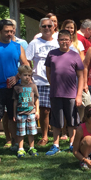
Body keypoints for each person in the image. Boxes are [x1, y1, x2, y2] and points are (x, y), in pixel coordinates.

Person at [0, 19, 30, 150]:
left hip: (14, 87)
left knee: (14, 117)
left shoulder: (18, 46)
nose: (10, 34)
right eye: (6, 31)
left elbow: (26, 65)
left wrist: (17, 76)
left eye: (12, 31)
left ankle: (16, 143)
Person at [45, 29, 85, 155]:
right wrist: (54, 85)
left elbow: (81, 76)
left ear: (71, 41)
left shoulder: (75, 55)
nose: (64, 42)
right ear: (58, 41)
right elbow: (48, 72)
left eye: (66, 40)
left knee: (72, 120)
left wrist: (79, 95)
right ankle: (55, 145)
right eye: (61, 39)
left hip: (71, 94)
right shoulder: (52, 54)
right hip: (56, 93)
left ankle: (72, 144)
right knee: (56, 120)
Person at [25, 18, 59, 146]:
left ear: (54, 27)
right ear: (40, 28)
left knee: (56, 109)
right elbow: (27, 60)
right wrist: (29, 76)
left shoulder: (58, 42)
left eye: (49, 26)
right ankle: (44, 136)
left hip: (56, 80)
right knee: (44, 110)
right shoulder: (34, 43)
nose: (47, 28)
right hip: (39, 80)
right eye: (44, 26)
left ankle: (58, 135)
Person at [13, 65, 40, 157]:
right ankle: (20, 149)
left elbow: (36, 99)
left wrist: (37, 111)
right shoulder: (17, 88)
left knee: (31, 132)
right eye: (25, 75)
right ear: (19, 75)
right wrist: (14, 114)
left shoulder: (33, 86)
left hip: (31, 113)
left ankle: (32, 148)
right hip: (20, 113)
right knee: (20, 132)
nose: (27, 77)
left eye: (29, 75)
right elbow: (15, 102)